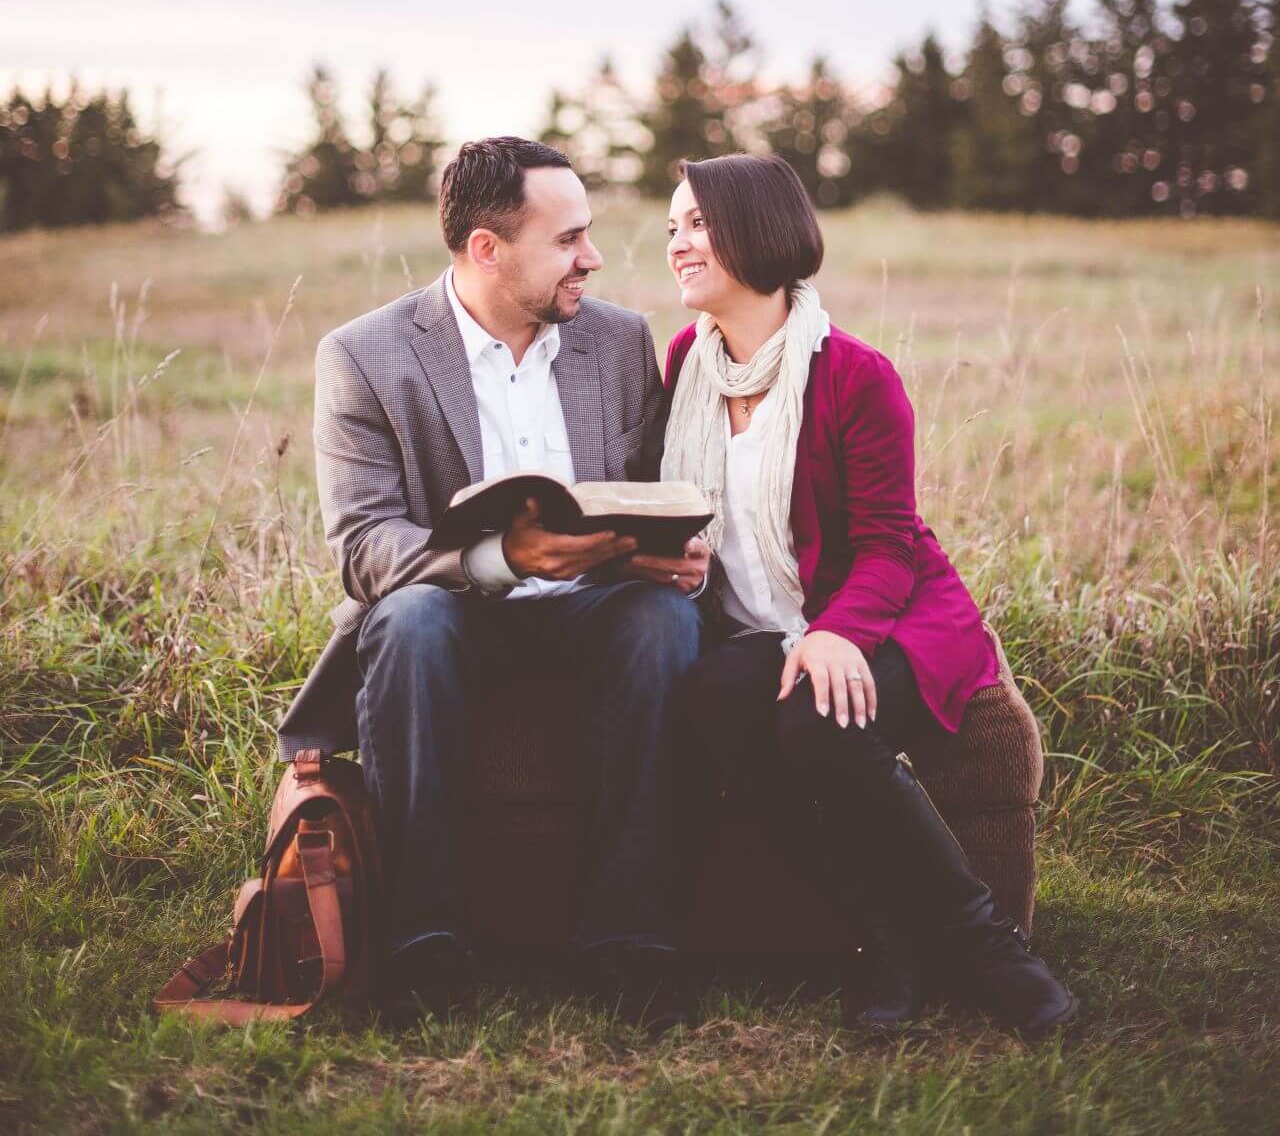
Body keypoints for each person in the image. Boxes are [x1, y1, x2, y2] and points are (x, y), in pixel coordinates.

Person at [277, 137, 708, 1030]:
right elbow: (364, 546)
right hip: (457, 613)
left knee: (660, 621)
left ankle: (627, 939)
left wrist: (665, 550)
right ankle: (423, 940)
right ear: (487, 248)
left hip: (593, 609)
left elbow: (646, 487)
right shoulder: (365, 355)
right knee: (410, 620)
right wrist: (504, 560)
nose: (592, 257)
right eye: (568, 240)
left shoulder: (620, 340)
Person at [662, 153, 1077, 1038]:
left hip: (888, 612)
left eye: (695, 222)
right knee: (713, 701)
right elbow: (687, 513)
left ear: (756, 230)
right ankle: (882, 936)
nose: (677, 243)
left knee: (819, 717)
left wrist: (835, 632)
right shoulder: (683, 367)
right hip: (758, 631)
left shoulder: (855, 373)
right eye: (673, 227)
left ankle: (988, 947)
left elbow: (890, 543)